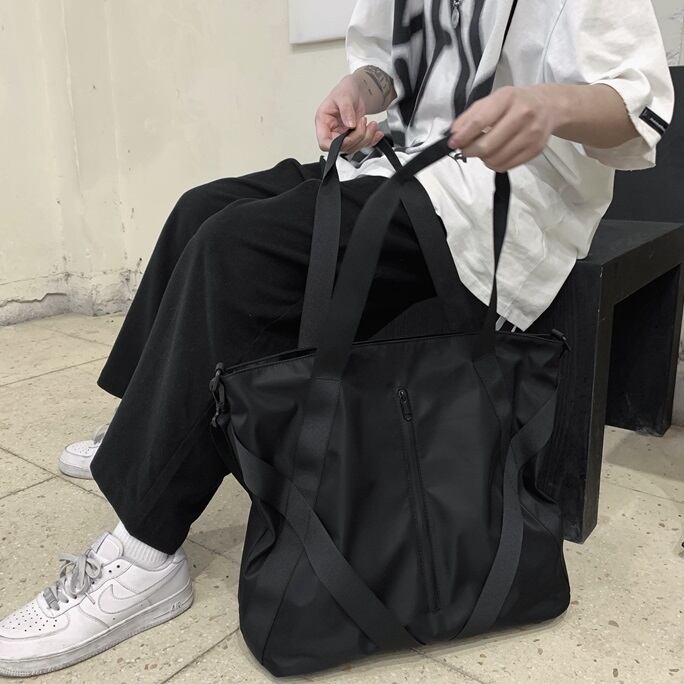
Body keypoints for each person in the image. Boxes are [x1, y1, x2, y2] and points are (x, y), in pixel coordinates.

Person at [0, 0, 674, 677]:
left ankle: (143, 556)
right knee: (199, 209)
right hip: (403, 163)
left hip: (502, 199)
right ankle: (142, 428)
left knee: (233, 253)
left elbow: (638, 103)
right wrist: (360, 89)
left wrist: (548, 106)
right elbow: (393, 68)